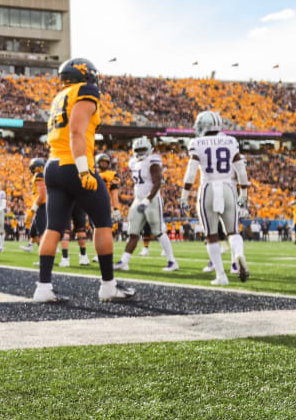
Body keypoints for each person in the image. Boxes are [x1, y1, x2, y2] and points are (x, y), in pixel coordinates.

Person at [32, 58, 135, 302]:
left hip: (53, 165)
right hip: (75, 163)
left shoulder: (59, 97)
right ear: (84, 74)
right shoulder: (86, 91)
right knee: (103, 223)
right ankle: (108, 287)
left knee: (53, 227)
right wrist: (83, 169)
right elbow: (76, 131)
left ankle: (43, 288)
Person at [179, 110, 250, 286]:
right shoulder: (230, 141)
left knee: (211, 235)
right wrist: (244, 195)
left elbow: (190, 173)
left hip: (208, 187)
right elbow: (241, 170)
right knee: (233, 231)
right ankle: (238, 253)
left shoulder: (197, 143)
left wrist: (184, 196)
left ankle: (221, 275)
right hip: (228, 187)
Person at [114, 137, 179, 272]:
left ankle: (172, 261)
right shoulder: (133, 162)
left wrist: (148, 199)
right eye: (138, 150)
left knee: (158, 231)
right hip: (138, 199)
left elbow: (157, 182)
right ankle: (124, 261)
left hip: (152, 198)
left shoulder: (152, 160)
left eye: (143, 149)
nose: (140, 152)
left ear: (149, 149)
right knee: (133, 232)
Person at [21, 158, 46, 253]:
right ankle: (44, 251)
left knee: (42, 233)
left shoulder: (39, 175)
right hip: (42, 205)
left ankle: (46, 254)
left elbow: (42, 194)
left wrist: (33, 210)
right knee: (33, 233)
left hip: (42, 205)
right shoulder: (42, 174)